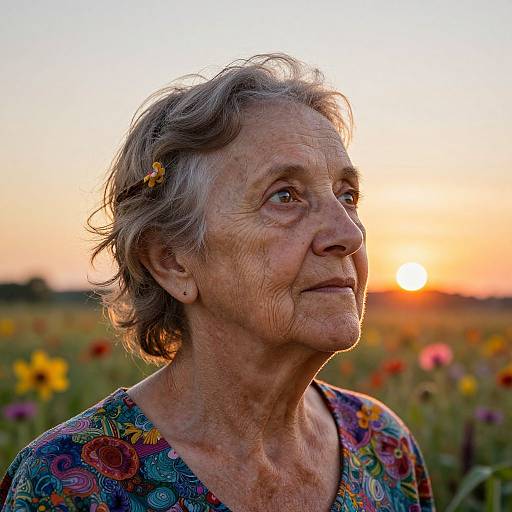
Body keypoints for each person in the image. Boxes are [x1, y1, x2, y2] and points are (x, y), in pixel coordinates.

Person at [0, 53, 435, 511]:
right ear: (172, 262)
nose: (349, 234)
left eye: (347, 195)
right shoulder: (71, 484)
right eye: (284, 196)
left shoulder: (383, 446)